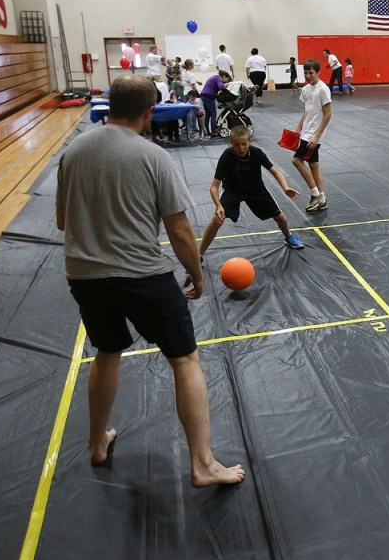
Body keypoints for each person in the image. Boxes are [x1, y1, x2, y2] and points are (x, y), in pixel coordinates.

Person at [55, 75, 246, 487]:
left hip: (85, 276)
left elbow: (61, 221)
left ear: (108, 105)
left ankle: (97, 443)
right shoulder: (154, 156)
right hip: (142, 275)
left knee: (106, 351)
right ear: (148, 112)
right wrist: (196, 273)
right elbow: (178, 232)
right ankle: (203, 463)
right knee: (185, 360)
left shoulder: (73, 152)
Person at [192, 126, 304, 258]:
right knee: (217, 220)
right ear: (231, 143)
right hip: (233, 191)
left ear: (250, 141)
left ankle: (288, 236)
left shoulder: (257, 153)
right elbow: (214, 186)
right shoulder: (227, 156)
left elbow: (276, 172)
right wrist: (219, 206)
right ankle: (199, 255)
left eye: (244, 144)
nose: (241, 148)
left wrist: (285, 188)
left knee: (281, 218)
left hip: (256, 190)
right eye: (237, 145)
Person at [291, 58, 332, 212]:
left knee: (296, 160)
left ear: (318, 72)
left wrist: (316, 136)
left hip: (313, 136)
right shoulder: (306, 90)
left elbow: (328, 114)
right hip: (305, 132)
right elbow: (306, 113)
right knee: (314, 166)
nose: (308, 75)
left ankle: (315, 194)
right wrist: (297, 129)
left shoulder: (323, 89)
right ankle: (322, 198)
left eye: (311, 73)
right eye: (306, 72)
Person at [199, 71, 231, 137]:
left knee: (208, 114)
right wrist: (227, 84)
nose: (225, 82)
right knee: (213, 114)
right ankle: (213, 131)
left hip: (204, 95)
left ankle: (207, 131)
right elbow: (221, 87)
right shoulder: (218, 78)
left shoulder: (214, 77)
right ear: (224, 76)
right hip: (209, 96)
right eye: (227, 80)